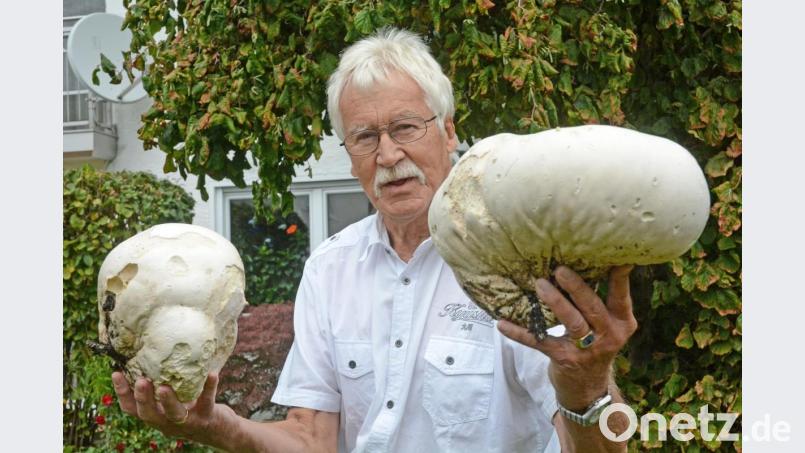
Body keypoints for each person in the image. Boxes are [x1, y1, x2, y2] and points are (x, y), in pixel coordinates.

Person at [112, 27, 636, 452]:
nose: (387, 155)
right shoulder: (331, 268)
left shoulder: (521, 262)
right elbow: (311, 440)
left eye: (405, 127)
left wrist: (587, 389)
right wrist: (215, 426)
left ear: (448, 132)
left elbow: (584, 443)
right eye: (365, 137)